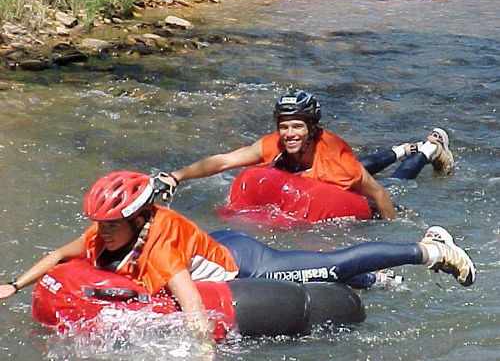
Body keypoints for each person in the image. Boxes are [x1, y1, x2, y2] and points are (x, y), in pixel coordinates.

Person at [0, 171, 475, 335]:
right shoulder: (107, 233)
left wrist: (202, 352)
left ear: (139, 218)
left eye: (112, 224)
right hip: (211, 244)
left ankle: (429, 250)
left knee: (331, 264)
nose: (102, 233)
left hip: (247, 264)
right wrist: (13, 285)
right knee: (333, 270)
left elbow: (190, 304)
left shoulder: (158, 247)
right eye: (99, 223)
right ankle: (377, 279)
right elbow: (58, 257)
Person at [158, 90, 454, 220]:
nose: (290, 134)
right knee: (362, 166)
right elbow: (223, 161)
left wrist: (390, 227)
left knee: (397, 183)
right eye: (284, 126)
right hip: (328, 179)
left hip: (362, 199)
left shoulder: (334, 160)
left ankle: (428, 150)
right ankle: (402, 148)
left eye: (297, 126)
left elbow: (377, 192)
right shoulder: (275, 143)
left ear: (311, 128)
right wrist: (176, 176)